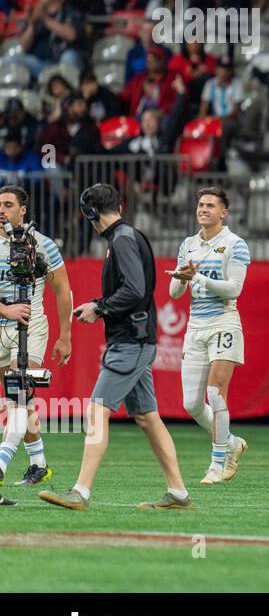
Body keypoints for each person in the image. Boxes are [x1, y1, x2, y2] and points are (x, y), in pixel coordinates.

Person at [41, 183, 191, 511]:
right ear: (119, 206)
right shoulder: (127, 237)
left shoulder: (121, 241)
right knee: (148, 417)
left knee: (97, 411)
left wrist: (100, 307)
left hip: (130, 340)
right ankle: (178, 492)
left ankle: (80, 491)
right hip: (138, 338)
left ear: (91, 215)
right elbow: (137, 288)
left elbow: (135, 289)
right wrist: (99, 303)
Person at [166, 187, 250, 486]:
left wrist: (197, 277)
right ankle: (231, 443)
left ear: (223, 213)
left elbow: (234, 289)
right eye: (201, 204)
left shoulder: (234, 244)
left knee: (215, 393)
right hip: (195, 326)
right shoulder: (188, 244)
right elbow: (175, 293)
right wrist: (180, 278)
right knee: (191, 403)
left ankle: (216, 464)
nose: (204, 209)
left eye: (210, 206)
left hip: (224, 322)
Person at [0, 185, 71, 488]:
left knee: (16, 395)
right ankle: (38, 463)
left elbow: (62, 290)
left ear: (22, 210)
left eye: (7, 204)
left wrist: (65, 334)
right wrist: (6, 311)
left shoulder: (42, 245)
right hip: (4, 322)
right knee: (21, 400)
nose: (1, 210)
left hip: (31, 328)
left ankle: (0, 465)